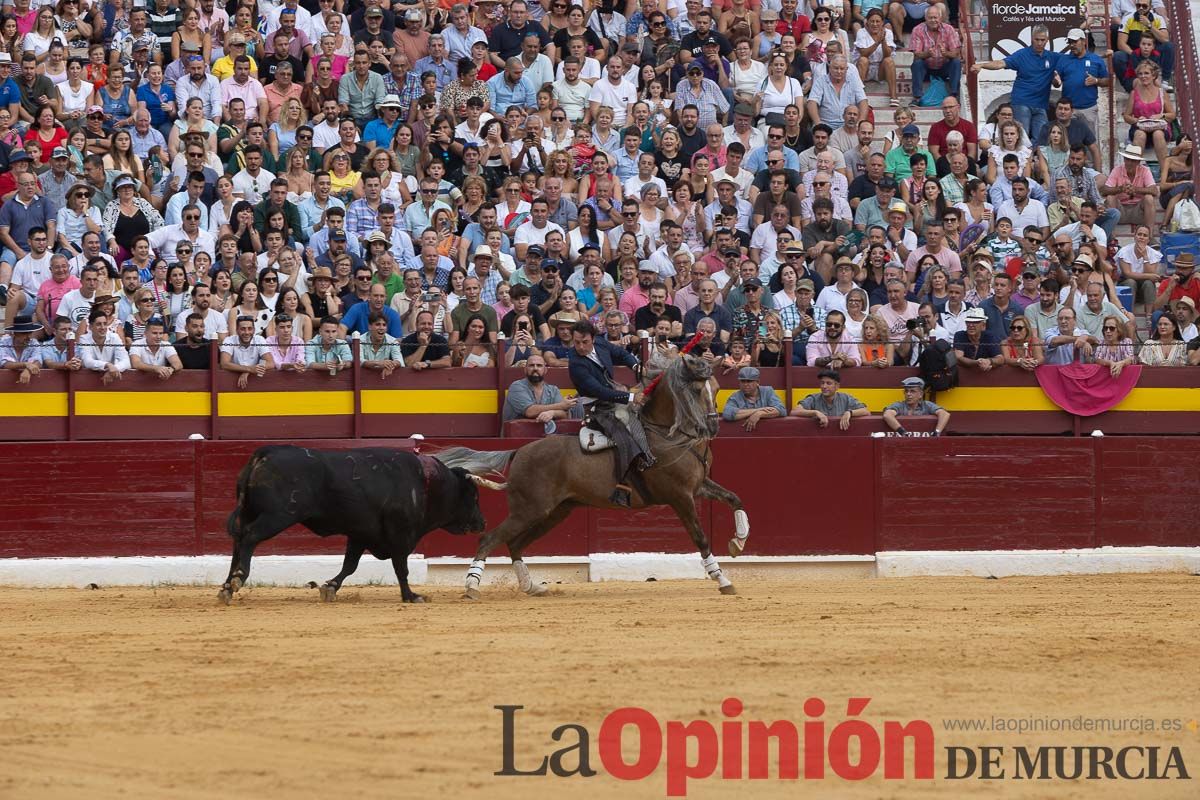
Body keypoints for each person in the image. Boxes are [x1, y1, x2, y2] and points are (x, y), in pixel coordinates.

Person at [567, 319, 649, 507]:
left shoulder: (601, 343)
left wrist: (635, 365)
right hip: (597, 409)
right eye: (576, 342)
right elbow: (599, 391)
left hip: (613, 399)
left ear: (593, 339)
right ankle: (622, 488)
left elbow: (620, 353)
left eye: (584, 342)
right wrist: (630, 397)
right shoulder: (576, 364)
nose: (580, 346)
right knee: (624, 437)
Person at [971, 24, 1061, 144]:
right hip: (1022, 102)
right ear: (1032, 38)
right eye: (1037, 39)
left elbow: (1068, 66)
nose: (1039, 43)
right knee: (1021, 139)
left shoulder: (1052, 57)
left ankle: (1032, 161)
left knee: (1042, 140)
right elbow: (1000, 63)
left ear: (1047, 40)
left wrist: (1055, 80)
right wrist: (982, 65)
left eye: (1042, 40)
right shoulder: (1022, 55)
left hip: (1041, 104)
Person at [502, 352, 578, 424]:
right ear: (525, 370)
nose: (535, 368)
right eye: (531, 365)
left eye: (539, 365)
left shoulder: (553, 390)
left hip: (546, 436)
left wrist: (552, 413)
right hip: (516, 435)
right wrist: (561, 405)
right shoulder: (516, 386)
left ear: (545, 370)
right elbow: (530, 411)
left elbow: (564, 415)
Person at [790, 367, 868, 430]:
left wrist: (849, 413)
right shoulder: (813, 398)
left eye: (828, 383)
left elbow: (866, 411)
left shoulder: (846, 398)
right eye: (822, 383)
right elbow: (794, 412)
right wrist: (815, 412)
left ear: (837, 386)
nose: (824, 386)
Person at [721, 366, 786, 432]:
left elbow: (781, 409)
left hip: (767, 433)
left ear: (757, 382)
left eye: (749, 381)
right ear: (739, 383)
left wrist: (759, 414)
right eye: (743, 381)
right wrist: (757, 410)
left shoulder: (767, 391)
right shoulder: (736, 396)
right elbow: (727, 414)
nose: (746, 384)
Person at [882, 376, 950, 435]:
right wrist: (902, 432)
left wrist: (937, 432)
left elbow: (944, 414)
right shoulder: (899, 405)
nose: (908, 394)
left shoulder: (927, 405)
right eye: (906, 391)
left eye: (912, 391)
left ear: (920, 394)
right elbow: (887, 415)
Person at [953, 306, 1004, 370]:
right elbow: (959, 357)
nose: (971, 325)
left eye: (975, 322)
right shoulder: (960, 335)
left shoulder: (989, 336)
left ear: (983, 325)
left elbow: (1000, 359)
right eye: (968, 322)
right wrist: (978, 363)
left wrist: (989, 361)